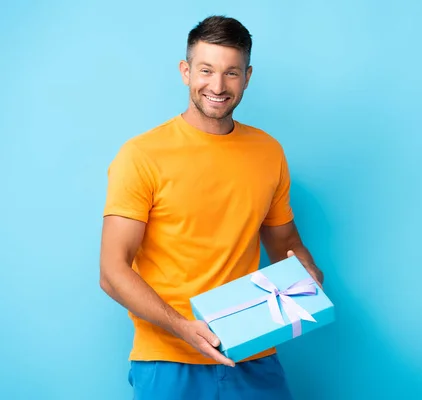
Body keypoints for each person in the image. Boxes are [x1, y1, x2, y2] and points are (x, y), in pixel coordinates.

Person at [99, 15, 324, 400]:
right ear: (186, 72)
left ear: (247, 77)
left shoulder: (269, 152)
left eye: (231, 73)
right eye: (206, 70)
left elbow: (285, 240)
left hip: (253, 351)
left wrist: (307, 273)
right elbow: (112, 271)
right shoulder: (141, 156)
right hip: (168, 360)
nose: (217, 86)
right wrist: (184, 327)